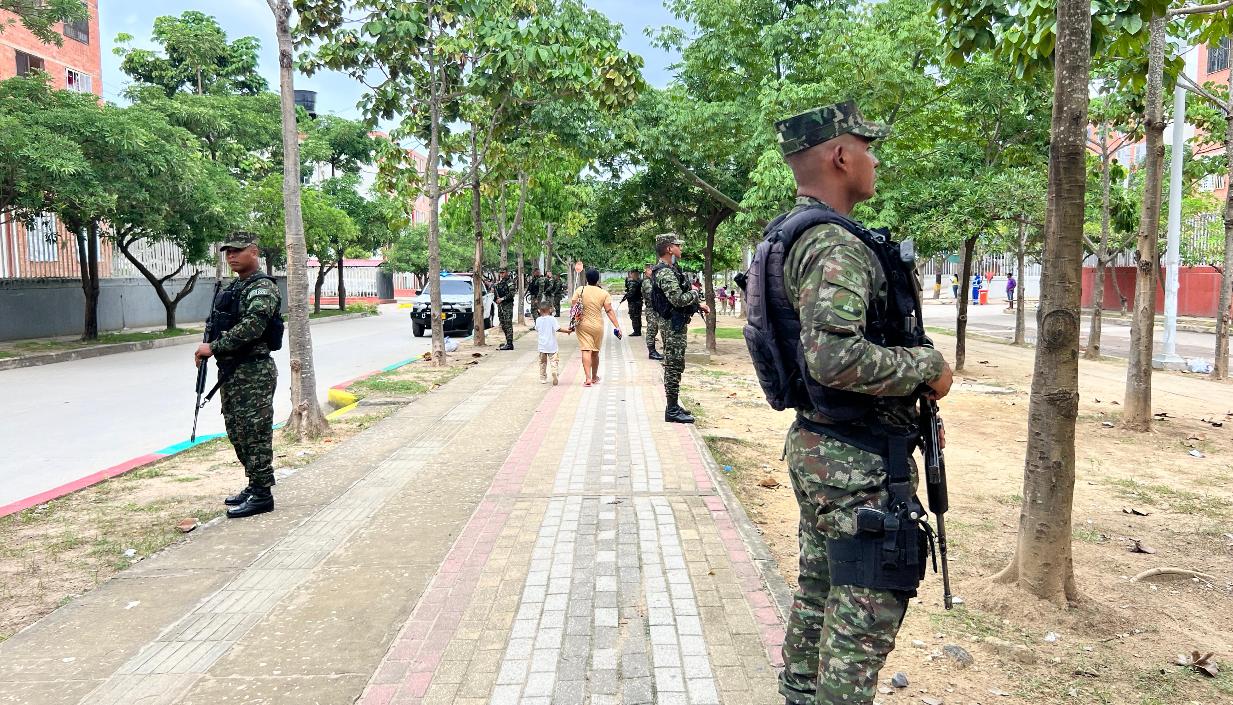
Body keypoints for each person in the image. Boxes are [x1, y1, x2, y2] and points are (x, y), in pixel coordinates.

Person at [765, 102, 954, 705]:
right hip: (856, 462)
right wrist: (927, 369)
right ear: (840, 157)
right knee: (860, 620)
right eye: (867, 147)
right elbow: (833, 358)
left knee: (820, 593)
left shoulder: (793, 235)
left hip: (826, 445)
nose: (875, 159)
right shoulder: (835, 247)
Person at [194, 232, 284, 519]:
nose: (231, 256)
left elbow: (252, 328)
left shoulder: (261, 288)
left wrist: (213, 347)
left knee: (255, 433)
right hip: (233, 371)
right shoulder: (237, 287)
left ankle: (262, 494)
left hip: (254, 371)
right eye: (228, 252)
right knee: (237, 430)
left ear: (254, 252)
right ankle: (253, 482)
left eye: (237, 251)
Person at [650, 233, 708, 423]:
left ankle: (673, 406)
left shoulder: (671, 269)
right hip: (672, 326)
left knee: (676, 364)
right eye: (677, 245)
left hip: (676, 324)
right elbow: (677, 299)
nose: (680, 249)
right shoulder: (665, 273)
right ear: (669, 249)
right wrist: (694, 293)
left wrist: (698, 304)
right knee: (673, 366)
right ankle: (672, 409)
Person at [570, 268, 622, 386]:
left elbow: (573, 306)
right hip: (598, 325)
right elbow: (609, 310)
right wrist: (617, 326)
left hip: (582, 324)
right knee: (595, 352)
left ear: (586, 279)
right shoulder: (603, 293)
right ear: (598, 279)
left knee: (586, 349)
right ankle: (594, 377)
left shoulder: (580, 290)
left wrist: (572, 323)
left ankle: (588, 378)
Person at [535, 302, 571, 385]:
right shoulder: (552, 319)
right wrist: (567, 331)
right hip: (552, 346)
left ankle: (543, 378)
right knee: (554, 361)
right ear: (550, 310)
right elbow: (558, 329)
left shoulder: (538, 320)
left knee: (542, 363)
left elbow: (537, 329)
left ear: (539, 310)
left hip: (542, 346)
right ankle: (554, 371)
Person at [642, 263, 665, 360]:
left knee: (655, 329)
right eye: (649, 269)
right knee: (652, 329)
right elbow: (651, 295)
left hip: (656, 309)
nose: (651, 271)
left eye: (652, 269)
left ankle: (653, 351)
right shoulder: (647, 282)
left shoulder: (653, 281)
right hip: (651, 309)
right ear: (646, 271)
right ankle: (651, 351)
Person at [493, 267, 515, 350]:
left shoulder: (510, 282)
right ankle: (507, 341)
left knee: (508, 324)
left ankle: (510, 344)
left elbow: (512, 294)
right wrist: (496, 299)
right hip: (500, 306)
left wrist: (502, 299)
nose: (501, 274)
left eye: (503, 272)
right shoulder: (500, 283)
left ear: (507, 272)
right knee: (503, 324)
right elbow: (496, 294)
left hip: (507, 305)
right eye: (500, 273)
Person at [621, 268, 644, 336]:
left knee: (634, 316)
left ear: (632, 274)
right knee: (638, 316)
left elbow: (631, 293)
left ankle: (636, 331)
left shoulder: (633, 282)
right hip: (638, 301)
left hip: (634, 302)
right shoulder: (640, 281)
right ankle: (638, 330)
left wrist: (625, 296)